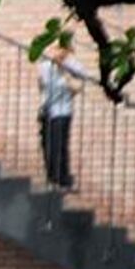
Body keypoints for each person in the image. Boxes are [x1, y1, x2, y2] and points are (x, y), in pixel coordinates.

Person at [38, 39, 85, 189]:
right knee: (47, 144)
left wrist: (63, 71)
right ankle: (51, 178)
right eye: (55, 48)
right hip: (47, 110)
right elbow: (41, 85)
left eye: (61, 48)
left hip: (62, 110)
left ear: (68, 50)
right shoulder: (45, 66)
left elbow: (77, 88)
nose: (57, 52)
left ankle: (63, 179)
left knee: (59, 145)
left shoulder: (75, 67)